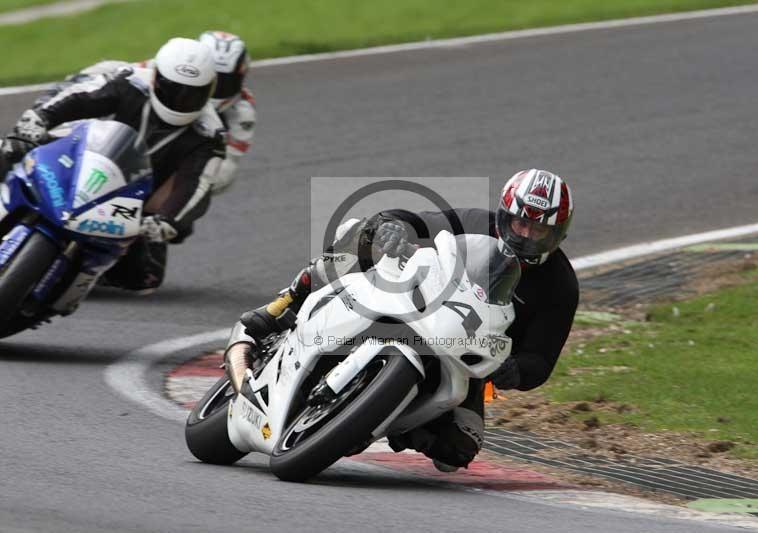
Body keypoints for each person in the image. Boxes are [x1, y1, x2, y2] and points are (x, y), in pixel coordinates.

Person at [228, 169, 579, 470]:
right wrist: (391, 226)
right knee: (361, 236)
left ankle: (389, 421)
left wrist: (516, 371)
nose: (527, 236)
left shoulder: (560, 286)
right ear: (505, 216)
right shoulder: (475, 223)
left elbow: (542, 359)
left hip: (463, 353)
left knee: (458, 449)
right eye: (522, 223)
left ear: (558, 233)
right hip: (413, 301)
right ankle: (284, 303)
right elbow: (419, 220)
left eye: (540, 231)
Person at [0, 37, 226, 293]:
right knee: (6, 150)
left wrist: (169, 221)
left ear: (208, 91)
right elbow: (80, 97)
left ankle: (76, 273)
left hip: (130, 202)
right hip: (77, 158)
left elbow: (197, 184)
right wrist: (40, 118)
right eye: (173, 89)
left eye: (192, 94)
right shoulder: (130, 82)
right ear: (155, 78)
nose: (181, 100)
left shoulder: (209, 133)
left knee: (144, 277)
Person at [30, 30, 256, 197]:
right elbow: (111, 78)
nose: (188, 92)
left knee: (177, 224)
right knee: (31, 141)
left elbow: (227, 170)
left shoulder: (242, 113)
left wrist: (194, 173)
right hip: (114, 141)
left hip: (164, 170)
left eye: (226, 82)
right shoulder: (159, 68)